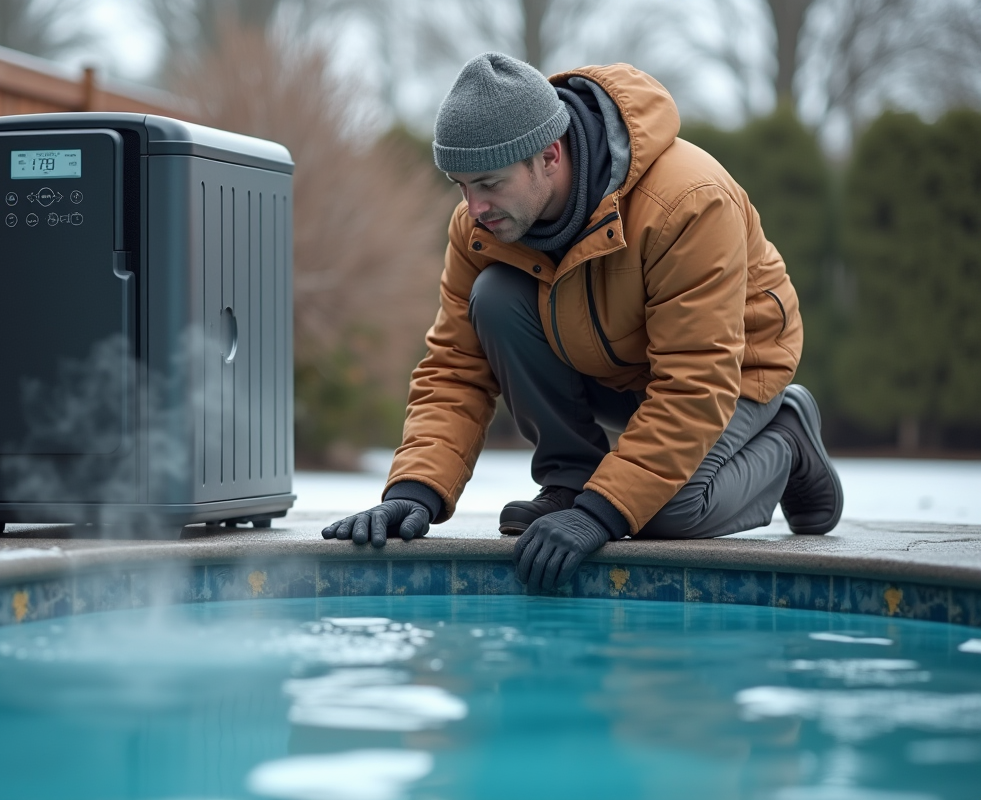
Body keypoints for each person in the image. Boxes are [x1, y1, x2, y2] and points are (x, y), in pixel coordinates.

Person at [321, 54, 843, 594]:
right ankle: (570, 480)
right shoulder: (482, 226)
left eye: (489, 183)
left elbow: (696, 379)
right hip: (612, 364)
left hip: (736, 371)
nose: (474, 207)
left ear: (549, 156)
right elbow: (456, 366)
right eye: (461, 186)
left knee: (661, 513)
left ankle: (787, 439)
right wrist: (415, 489)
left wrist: (603, 510)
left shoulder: (688, 203)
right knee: (494, 296)